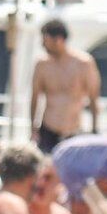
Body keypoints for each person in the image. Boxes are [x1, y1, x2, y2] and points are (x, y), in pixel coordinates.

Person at [31, 18, 100, 152]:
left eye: (45, 41)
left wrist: (95, 129)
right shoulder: (42, 64)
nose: (43, 45)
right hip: (48, 129)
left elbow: (93, 98)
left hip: (73, 130)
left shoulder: (83, 63)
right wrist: (33, 129)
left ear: (58, 40)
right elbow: (35, 98)